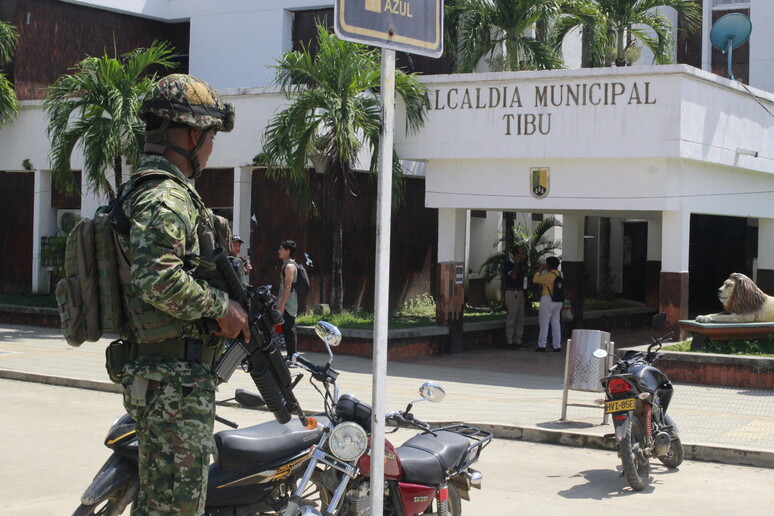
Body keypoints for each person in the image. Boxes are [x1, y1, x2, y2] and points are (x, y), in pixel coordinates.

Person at [120, 74, 250, 516]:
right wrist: (224, 309)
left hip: (167, 378)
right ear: (193, 135)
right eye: (211, 138)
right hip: (174, 383)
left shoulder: (149, 188)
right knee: (177, 508)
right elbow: (156, 278)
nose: (211, 150)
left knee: (159, 505)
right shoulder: (166, 196)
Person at [533, 256, 564, 352]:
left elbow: (535, 279)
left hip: (547, 299)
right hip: (558, 300)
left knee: (544, 323)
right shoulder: (560, 274)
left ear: (548, 265)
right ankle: (557, 345)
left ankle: (542, 345)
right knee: (556, 323)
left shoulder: (549, 275)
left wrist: (540, 269)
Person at [277, 240, 299, 360]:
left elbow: (288, 287)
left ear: (288, 251)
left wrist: (282, 305)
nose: (279, 251)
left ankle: (293, 357)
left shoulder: (289, 266)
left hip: (289, 304)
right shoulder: (285, 265)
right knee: (286, 329)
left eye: (281, 249)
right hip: (285, 302)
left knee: (289, 329)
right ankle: (291, 356)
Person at [504, 245, 528, 349]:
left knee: (520, 318)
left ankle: (518, 340)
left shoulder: (522, 264)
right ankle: (509, 340)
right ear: (515, 254)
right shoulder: (508, 264)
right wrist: (516, 264)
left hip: (520, 291)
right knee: (512, 317)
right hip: (512, 292)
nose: (522, 256)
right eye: (521, 254)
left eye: (523, 254)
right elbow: (513, 276)